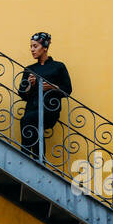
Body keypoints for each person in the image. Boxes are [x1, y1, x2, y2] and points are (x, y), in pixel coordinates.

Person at [17, 31, 71, 161]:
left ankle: (23, 157)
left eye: (35, 46)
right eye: (31, 46)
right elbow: (22, 93)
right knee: (34, 129)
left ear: (45, 47)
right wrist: (30, 85)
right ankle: (39, 162)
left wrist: (52, 87)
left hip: (49, 110)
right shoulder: (29, 69)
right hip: (32, 108)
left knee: (27, 120)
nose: (32, 50)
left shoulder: (58, 66)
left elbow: (67, 90)